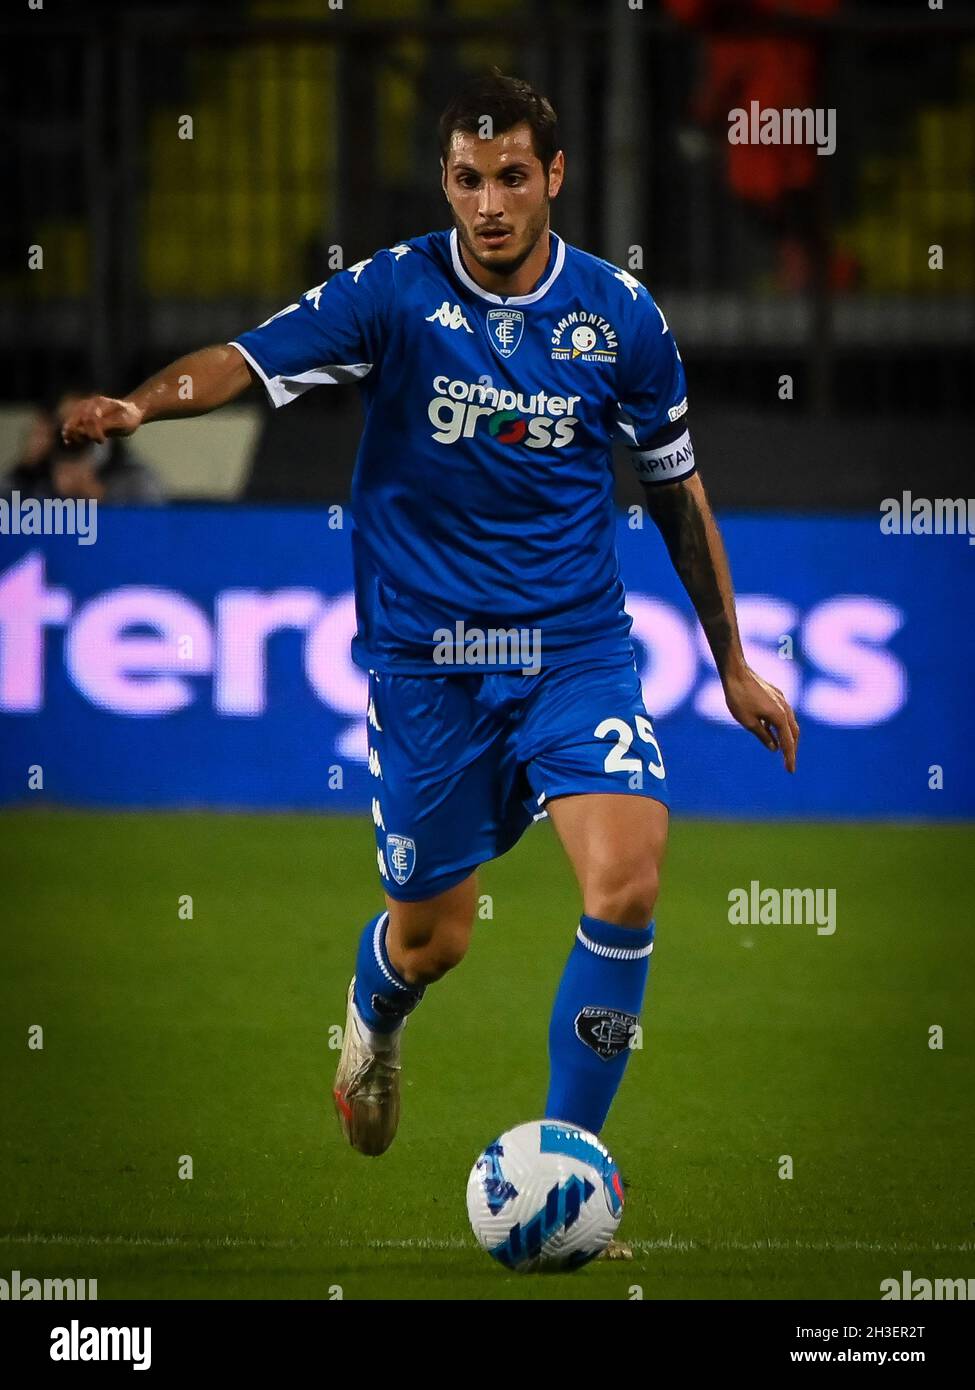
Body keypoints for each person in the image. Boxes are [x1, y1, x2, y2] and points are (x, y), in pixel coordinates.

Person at [63, 70, 798, 1255]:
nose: (491, 202)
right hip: (428, 668)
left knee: (627, 880)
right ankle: (376, 1001)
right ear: (446, 182)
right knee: (435, 936)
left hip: (575, 652)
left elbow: (676, 490)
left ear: (554, 176)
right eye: (469, 178)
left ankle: (570, 1172)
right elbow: (246, 361)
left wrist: (733, 661)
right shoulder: (395, 291)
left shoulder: (620, 316)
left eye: (513, 176)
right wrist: (143, 408)